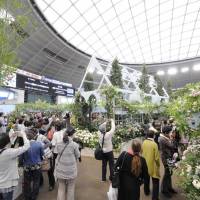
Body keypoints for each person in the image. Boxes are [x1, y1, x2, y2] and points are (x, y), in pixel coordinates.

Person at [0, 131, 30, 200]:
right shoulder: (9, 152)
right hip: (7, 184)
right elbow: (26, 146)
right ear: (7, 142)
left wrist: (10, 137)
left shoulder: (7, 152)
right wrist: (23, 135)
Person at [55, 127, 80, 200]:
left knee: (61, 188)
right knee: (71, 188)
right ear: (72, 134)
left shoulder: (59, 144)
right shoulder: (74, 145)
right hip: (71, 170)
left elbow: (56, 153)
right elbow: (78, 155)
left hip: (60, 169)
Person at [20, 129, 44, 200]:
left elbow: (21, 158)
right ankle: (34, 196)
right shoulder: (39, 144)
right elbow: (42, 154)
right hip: (37, 165)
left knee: (27, 182)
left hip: (27, 166)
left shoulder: (24, 146)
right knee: (36, 181)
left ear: (27, 138)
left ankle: (28, 196)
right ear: (34, 137)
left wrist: (21, 164)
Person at [159, 125, 177, 198]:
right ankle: (164, 190)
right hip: (166, 159)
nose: (171, 133)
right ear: (166, 133)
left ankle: (169, 188)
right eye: (170, 132)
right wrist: (173, 138)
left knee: (169, 173)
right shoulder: (163, 139)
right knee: (167, 174)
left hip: (168, 158)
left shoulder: (165, 138)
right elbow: (172, 146)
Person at [142, 129, 160, 200]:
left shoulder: (144, 142)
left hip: (145, 165)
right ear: (153, 136)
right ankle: (155, 198)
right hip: (153, 165)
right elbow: (157, 158)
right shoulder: (154, 144)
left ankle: (146, 191)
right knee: (155, 181)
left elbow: (141, 152)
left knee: (146, 179)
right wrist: (158, 165)